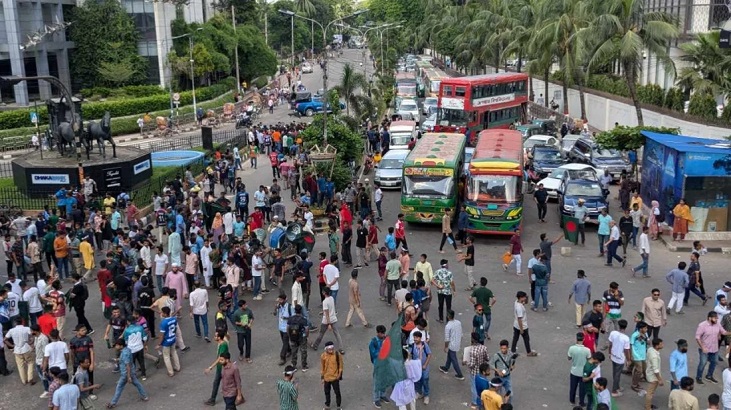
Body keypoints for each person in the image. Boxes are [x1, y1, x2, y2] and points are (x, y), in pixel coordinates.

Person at [107, 338, 149, 408]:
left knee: (119, 387)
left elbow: (127, 365)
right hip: (131, 372)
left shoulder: (125, 353)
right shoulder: (127, 350)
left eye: (117, 345)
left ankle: (113, 403)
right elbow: (126, 360)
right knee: (137, 384)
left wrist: (128, 376)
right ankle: (145, 396)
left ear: (121, 346)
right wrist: (118, 360)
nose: (115, 347)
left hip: (126, 374)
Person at [695, 311, 728, 384]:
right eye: (715, 318)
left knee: (714, 362)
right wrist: (703, 347)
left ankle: (709, 376)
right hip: (705, 348)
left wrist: (727, 332)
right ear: (709, 318)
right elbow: (697, 337)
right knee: (702, 363)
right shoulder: (702, 326)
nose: (717, 319)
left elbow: (723, 332)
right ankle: (699, 377)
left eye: (717, 318)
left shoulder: (717, 323)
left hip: (714, 348)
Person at [311, 288, 344, 354]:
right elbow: (330, 309)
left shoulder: (325, 302)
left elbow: (327, 313)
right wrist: (322, 312)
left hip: (326, 321)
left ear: (324, 293)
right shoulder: (331, 298)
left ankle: (315, 345)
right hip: (334, 319)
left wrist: (329, 323)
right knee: (337, 334)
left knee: (321, 333)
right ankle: (341, 348)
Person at [4, 317, 34, 385]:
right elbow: (33, 335)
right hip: (26, 348)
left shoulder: (11, 330)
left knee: (20, 366)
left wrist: (12, 346)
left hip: (17, 349)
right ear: (22, 322)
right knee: (30, 362)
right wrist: (31, 342)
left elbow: (5, 339)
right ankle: (30, 378)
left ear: (15, 323)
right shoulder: (26, 328)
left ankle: (24, 381)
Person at [439, 309, 464, 380]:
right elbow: (461, 333)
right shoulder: (458, 322)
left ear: (448, 316)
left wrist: (445, 347)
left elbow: (447, 339)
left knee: (453, 359)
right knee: (450, 355)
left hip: (451, 344)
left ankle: (460, 374)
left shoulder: (448, 326)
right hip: (457, 342)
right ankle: (446, 367)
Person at [607, 319, 630, 397]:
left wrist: (609, 353)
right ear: (625, 327)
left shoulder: (613, 333)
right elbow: (626, 350)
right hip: (620, 358)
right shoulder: (626, 338)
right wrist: (628, 360)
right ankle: (614, 390)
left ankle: (617, 386)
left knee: (615, 372)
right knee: (617, 374)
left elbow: (610, 344)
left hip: (613, 355)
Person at [568, 332, 591, 406]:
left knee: (573, 387)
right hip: (583, 372)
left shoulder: (571, 348)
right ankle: (581, 402)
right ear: (583, 339)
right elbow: (589, 360)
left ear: (576, 339)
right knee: (582, 389)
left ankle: (572, 400)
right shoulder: (587, 350)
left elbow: (569, 358)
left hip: (574, 371)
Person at [511, 291, 537, 356]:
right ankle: (529, 352)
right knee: (526, 339)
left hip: (515, 325)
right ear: (521, 298)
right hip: (522, 326)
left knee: (515, 338)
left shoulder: (516, 302)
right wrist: (521, 329)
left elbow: (525, 302)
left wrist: (526, 298)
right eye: (524, 297)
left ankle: (512, 350)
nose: (525, 298)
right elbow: (520, 319)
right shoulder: (519, 307)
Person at [468, 331, 490, 408]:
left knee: (474, 387)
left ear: (473, 340)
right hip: (483, 371)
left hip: (474, 372)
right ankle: (484, 400)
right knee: (483, 387)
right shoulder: (484, 348)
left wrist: (465, 363)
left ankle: (475, 402)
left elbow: (472, 365)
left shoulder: (472, 351)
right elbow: (487, 358)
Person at [157, 306, 181, 377]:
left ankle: (171, 372)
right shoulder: (174, 319)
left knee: (166, 356)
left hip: (166, 342)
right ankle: (177, 367)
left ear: (164, 313)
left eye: (162, 312)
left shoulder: (163, 323)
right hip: (173, 339)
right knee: (174, 353)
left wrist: (159, 344)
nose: (161, 313)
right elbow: (175, 329)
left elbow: (162, 335)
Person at [321, 341, 344, 410]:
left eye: (332, 348)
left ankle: (338, 406)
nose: (331, 350)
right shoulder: (323, 356)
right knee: (327, 392)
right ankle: (327, 405)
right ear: (326, 349)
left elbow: (341, 365)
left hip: (335, 378)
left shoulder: (337, 354)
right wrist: (322, 377)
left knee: (337, 392)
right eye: (329, 349)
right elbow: (322, 367)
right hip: (326, 378)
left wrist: (339, 375)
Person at [645, 338, 664, 410]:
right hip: (653, 377)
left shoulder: (650, 349)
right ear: (657, 346)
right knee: (650, 393)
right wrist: (660, 380)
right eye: (661, 344)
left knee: (650, 392)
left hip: (649, 373)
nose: (662, 345)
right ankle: (648, 407)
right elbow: (655, 370)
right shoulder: (654, 356)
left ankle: (648, 405)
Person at [630, 321, 649, 392]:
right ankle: (634, 385)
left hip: (643, 355)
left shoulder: (645, 334)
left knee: (643, 369)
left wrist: (645, 338)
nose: (646, 329)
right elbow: (631, 345)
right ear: (641, 328)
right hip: (636, 355)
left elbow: (649, 343)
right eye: (645, 328)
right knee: (639, 371)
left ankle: (637, 380)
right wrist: (631, 355)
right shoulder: (634, 335)